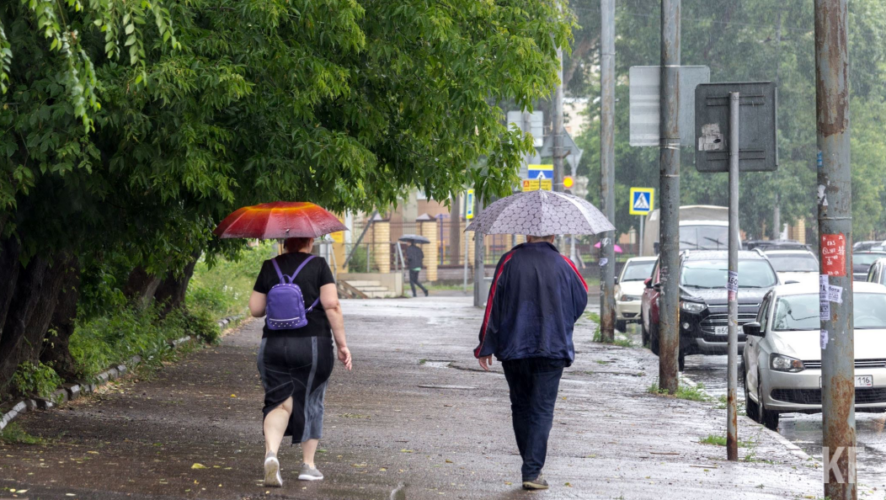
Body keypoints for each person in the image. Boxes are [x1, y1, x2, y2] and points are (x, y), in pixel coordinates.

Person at [474, 235, 588, 490]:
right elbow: (581, 299)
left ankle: (531, 467)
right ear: (552, 236)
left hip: (514, 347)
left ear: (527, 235)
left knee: (521, 406)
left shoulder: (509, 261)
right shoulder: (565, 263)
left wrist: (485, 345)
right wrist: (561, 322)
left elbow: (493, 305)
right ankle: (532, 470)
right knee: (542, 409)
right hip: (553, 347)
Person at [249, 237, 353, 487]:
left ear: (284, 241)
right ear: (311, 239)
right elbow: (332, 305)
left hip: (273, 345)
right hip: (313, 344)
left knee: (278, 403)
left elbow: (255, 309)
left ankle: (271, 454)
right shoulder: (318, 265)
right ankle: (308, 465)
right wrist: (342, 345)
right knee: (312, 401)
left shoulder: (269, 266)